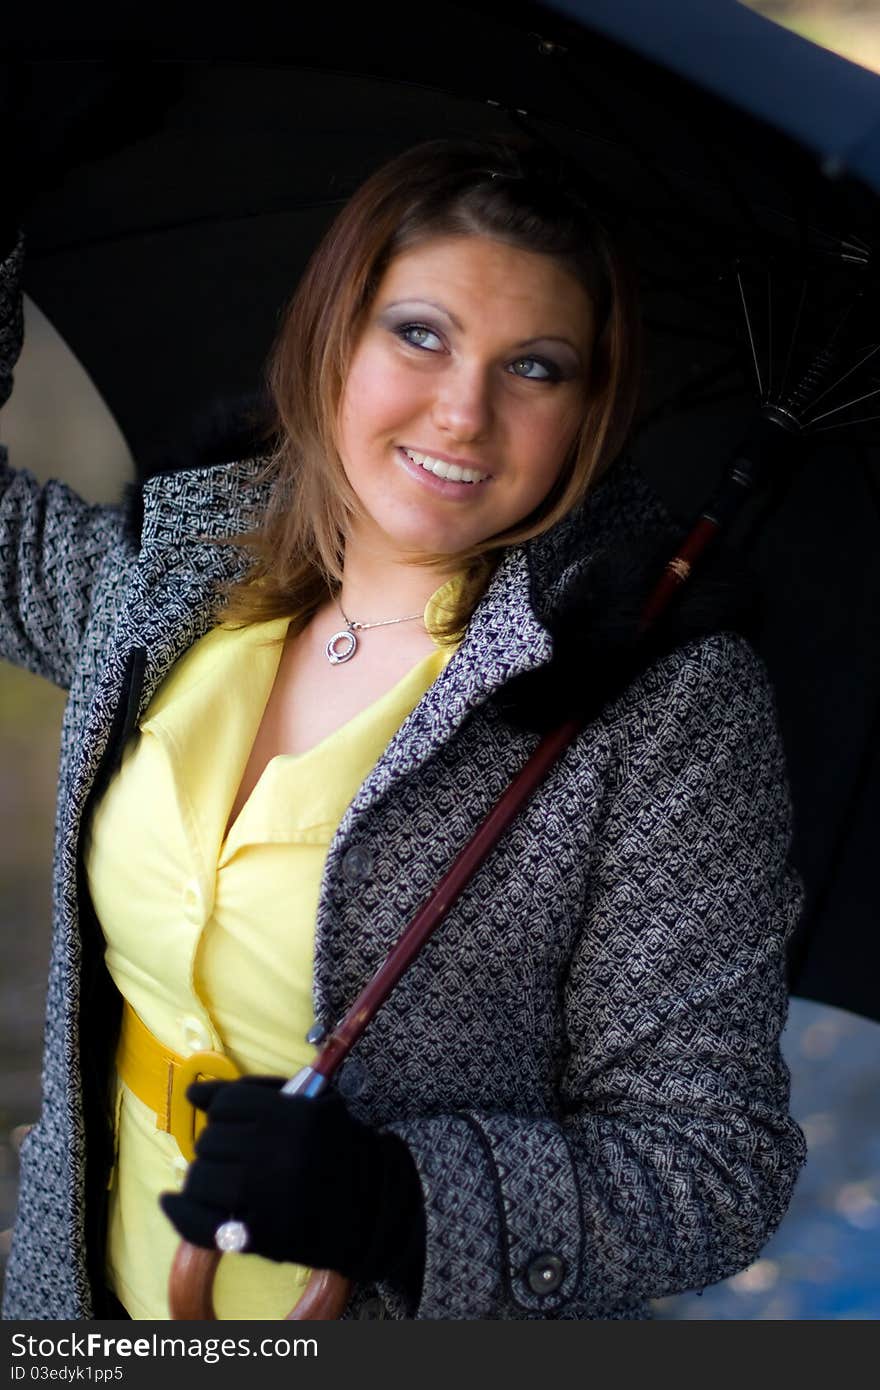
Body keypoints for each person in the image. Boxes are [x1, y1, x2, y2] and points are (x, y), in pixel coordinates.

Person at [0, 133, 806, 1322]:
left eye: (535, 367)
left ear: (591, 408)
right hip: (78, 1305)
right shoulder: (180, 572)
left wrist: (400, 1204)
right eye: (419, 334)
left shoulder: (657, 705)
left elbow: (710, 1163)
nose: (463, 412)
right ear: (335, 333)